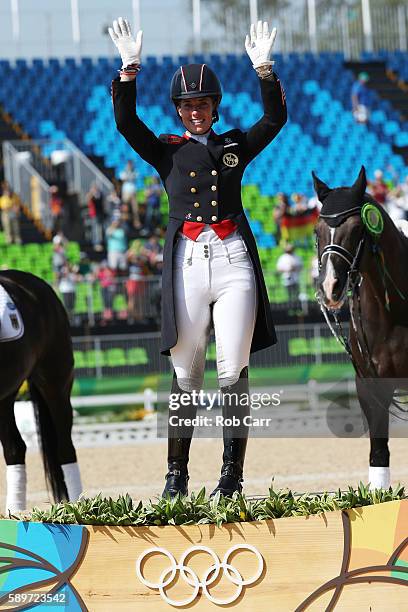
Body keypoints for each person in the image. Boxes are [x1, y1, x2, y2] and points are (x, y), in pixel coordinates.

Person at [110, 17, 287, 498]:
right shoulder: (165, 151)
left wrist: (265, 71)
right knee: (186, 372)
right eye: (187, 105)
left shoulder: (233, 146)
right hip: (187, 260)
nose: (195, 112)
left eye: (203, 103)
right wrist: (129, 72)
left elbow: (274, 121)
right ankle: (177, 476)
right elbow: (126, 122)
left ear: (214, 106)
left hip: (233, 260)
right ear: (179, 110)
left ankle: (231, 476)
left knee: (233, 369)